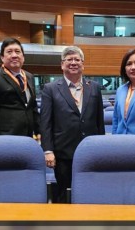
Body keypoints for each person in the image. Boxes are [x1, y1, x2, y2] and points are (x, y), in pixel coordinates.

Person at [40, 46, 105, 203]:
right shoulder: (50, 89)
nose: (73, 62)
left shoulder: (94, 87)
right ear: (62, 64)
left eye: (77, 59)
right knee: (64, 194)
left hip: (91, 152)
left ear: (83, 64)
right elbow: (46, 122)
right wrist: (48, 150)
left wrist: (102, 148)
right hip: (63, 153)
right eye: (69, 59)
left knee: (90, 192)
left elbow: (99, 121)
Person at [0, 38, 40, 137]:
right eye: (9, 52)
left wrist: (38, 130)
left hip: (28, 135)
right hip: (5, 137)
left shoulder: (29, 76)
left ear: (23, 57)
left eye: (17, 51)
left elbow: (32, 106)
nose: (14, 55)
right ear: (2, 57)